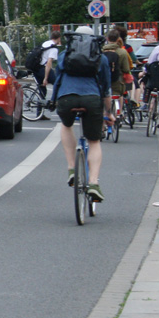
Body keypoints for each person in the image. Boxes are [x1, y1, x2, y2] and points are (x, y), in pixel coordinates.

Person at [48, 25, 112, 202]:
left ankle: (71, 168)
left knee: (66, 126)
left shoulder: (64, 55)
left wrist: (54, 100)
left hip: (66, 98)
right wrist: (109, 113)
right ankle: (93, 183)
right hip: (92, 99)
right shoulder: (101, 58)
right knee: (94, 141)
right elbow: (106, 89)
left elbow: (58, 80)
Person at [35, 31, 63, 116]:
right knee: (57, 84)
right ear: (58, 38)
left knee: (42, 90)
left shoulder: (46, 43)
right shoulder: (53, 48)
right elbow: (49, 63)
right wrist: (46, 78)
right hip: (43, 69)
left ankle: (39, 114)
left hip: (36, 68)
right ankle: (53, 102)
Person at [102, 29, 132, 103]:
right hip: (117, 81)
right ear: (118, 39)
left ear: (107, 38)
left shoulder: (101, 51)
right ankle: (119, 113)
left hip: (104, 80)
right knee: (119, 96)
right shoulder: (122, 52)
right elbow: (126, 69)